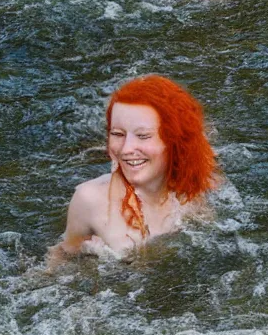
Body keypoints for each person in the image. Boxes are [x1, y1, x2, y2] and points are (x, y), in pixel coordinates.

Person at [47, 75, 217, 259]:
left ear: (174, 141)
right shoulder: (89, 200)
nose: (126, 149)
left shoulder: (196, 188)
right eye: (118, 134)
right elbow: (62, 260)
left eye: (143, 136)